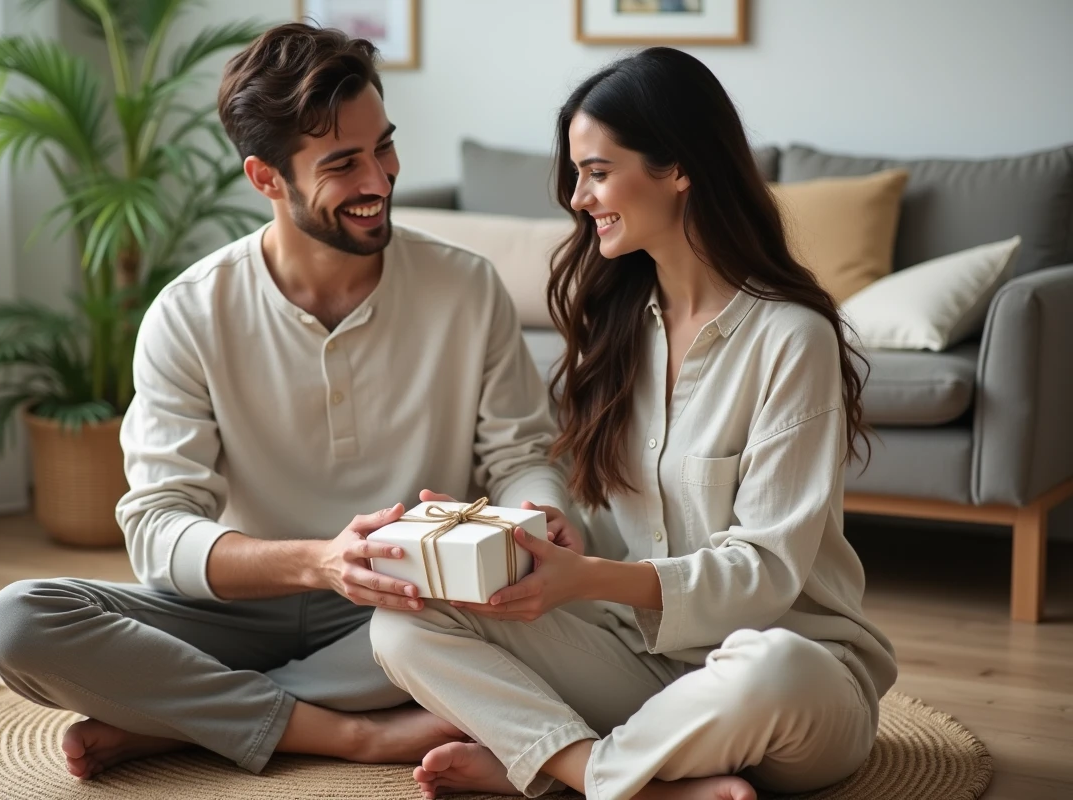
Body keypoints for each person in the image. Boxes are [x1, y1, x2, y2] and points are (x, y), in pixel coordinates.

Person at [0, 22, 574, 781]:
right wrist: (320, 562)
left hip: (404, 608)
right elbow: (158, 531)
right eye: (343, 164)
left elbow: (522, 455)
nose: (380, 180)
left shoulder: (466, 286)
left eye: (383, 146)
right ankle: (358, 735)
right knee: (20, 621)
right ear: (265, 179)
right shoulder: (189, 312)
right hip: (234, 606)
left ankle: (186, 719)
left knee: (567, 605)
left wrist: (539, 516)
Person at [370, 47, 897, 800]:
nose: (580, 198)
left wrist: (588, 578)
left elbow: (768, 575)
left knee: (774, 668)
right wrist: (526, 537)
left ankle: (561, 766)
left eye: (597, 170)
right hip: (644, 667)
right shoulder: (619, 327)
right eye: (578, 176)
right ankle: (612, 775)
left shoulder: (791, 338)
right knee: (401, 626)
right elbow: (612, 527)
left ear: (678, 168)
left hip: (792, 682)